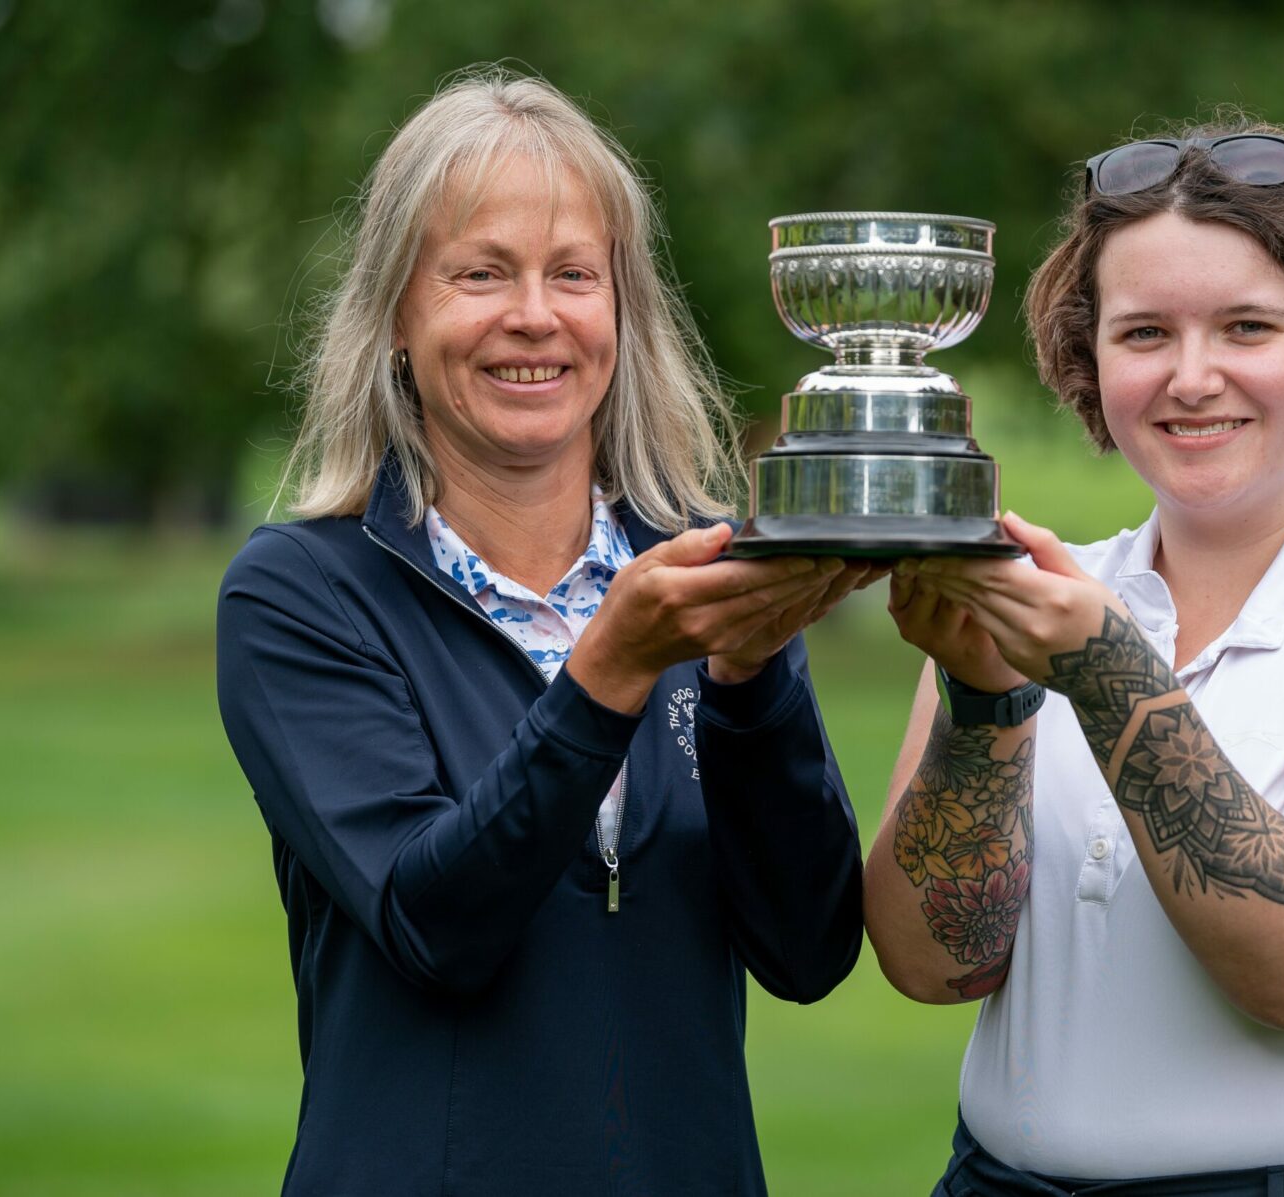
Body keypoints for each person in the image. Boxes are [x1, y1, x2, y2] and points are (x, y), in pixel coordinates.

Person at [867, 121, 1284, 1196]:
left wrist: (1102, 667)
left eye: (1247, 326)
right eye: (1144, 334)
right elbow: (933, 963)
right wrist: (983, 700)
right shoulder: (1036, 602)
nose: (1193, 379)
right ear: (1089, 357)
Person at [217, 70, 870, 1196]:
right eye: (480, 273)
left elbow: (808, 952)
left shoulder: (708, 577)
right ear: (396, 321)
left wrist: (749, 677)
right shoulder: (300, 593)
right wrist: (608, 670)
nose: (535, 316)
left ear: (621, 316)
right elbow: (436, 926)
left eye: (575, 274)